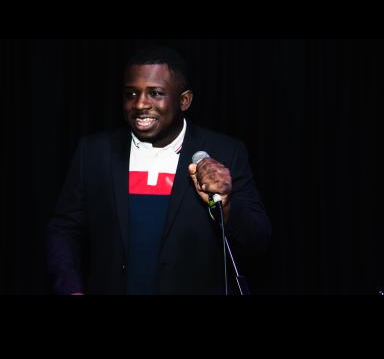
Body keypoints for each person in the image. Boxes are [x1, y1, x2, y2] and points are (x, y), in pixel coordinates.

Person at [47, 46, 271, 295]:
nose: (140, 104)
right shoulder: (94, 152)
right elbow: (64, 229)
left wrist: (226, 205)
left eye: (155, 93)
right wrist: (70, 287)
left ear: (184, 100)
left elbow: (258, 239)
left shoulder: (225, 152)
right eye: (131, 93)